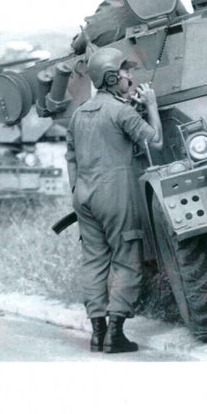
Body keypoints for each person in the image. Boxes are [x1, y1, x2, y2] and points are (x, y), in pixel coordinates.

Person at [65, 47, 163, 353]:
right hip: (115, 192)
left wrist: (76, 190)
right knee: (126, 258)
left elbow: (70, 156)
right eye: (125, 73)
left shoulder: (79, 113)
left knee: (94, 261)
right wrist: (151, 105)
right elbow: (156, 142)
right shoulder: (121, 112)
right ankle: (115, 334)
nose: (130, 77)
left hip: (84, 195)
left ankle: (97, 333)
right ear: (110, 77)